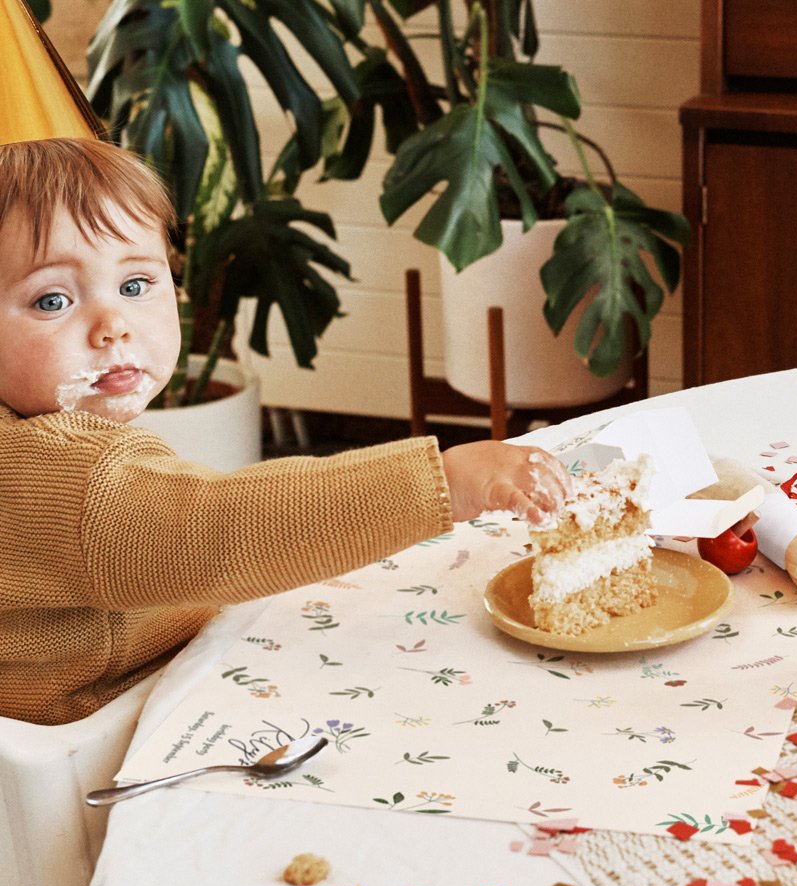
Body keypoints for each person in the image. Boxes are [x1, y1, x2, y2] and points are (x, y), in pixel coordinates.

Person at [0, 137, 571, 726]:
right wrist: (443, 482)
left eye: (135, 285)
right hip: (113, 739)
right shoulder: (60, 474)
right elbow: (213, 529)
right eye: (53, 300)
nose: (113, 325)